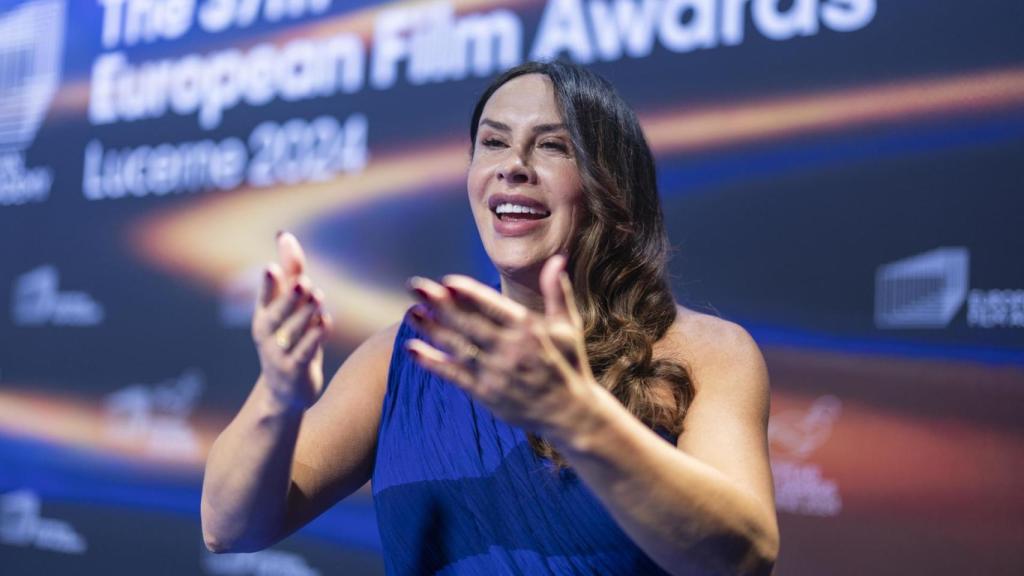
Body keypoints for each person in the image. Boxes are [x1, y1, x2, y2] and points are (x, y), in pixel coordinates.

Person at [201, 60, 779, 575]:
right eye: (494, 143)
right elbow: (230, 528)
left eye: (553, 146)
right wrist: (277, 396)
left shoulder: (706, 354)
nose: (514, 166)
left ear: (610, 184)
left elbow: (743, 556)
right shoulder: (401, 357)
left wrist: (576, 418)